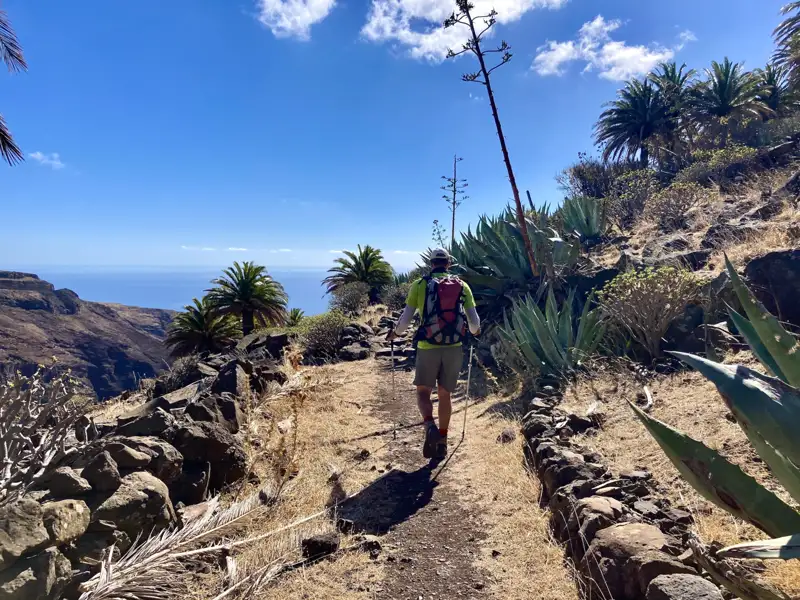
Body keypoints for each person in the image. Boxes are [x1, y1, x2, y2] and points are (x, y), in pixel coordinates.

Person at [387, 248, 480, 460]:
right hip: (454, 347)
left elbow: (405, 321)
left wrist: (395, 334)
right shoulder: (462, 286)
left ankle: (429, 425)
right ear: (448, 264)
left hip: (428, 346)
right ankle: (444, 442)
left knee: (422, 392)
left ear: (431, 264)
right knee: (445, 394)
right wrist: (475, 332)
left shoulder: (419, 285)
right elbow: (474, 323)